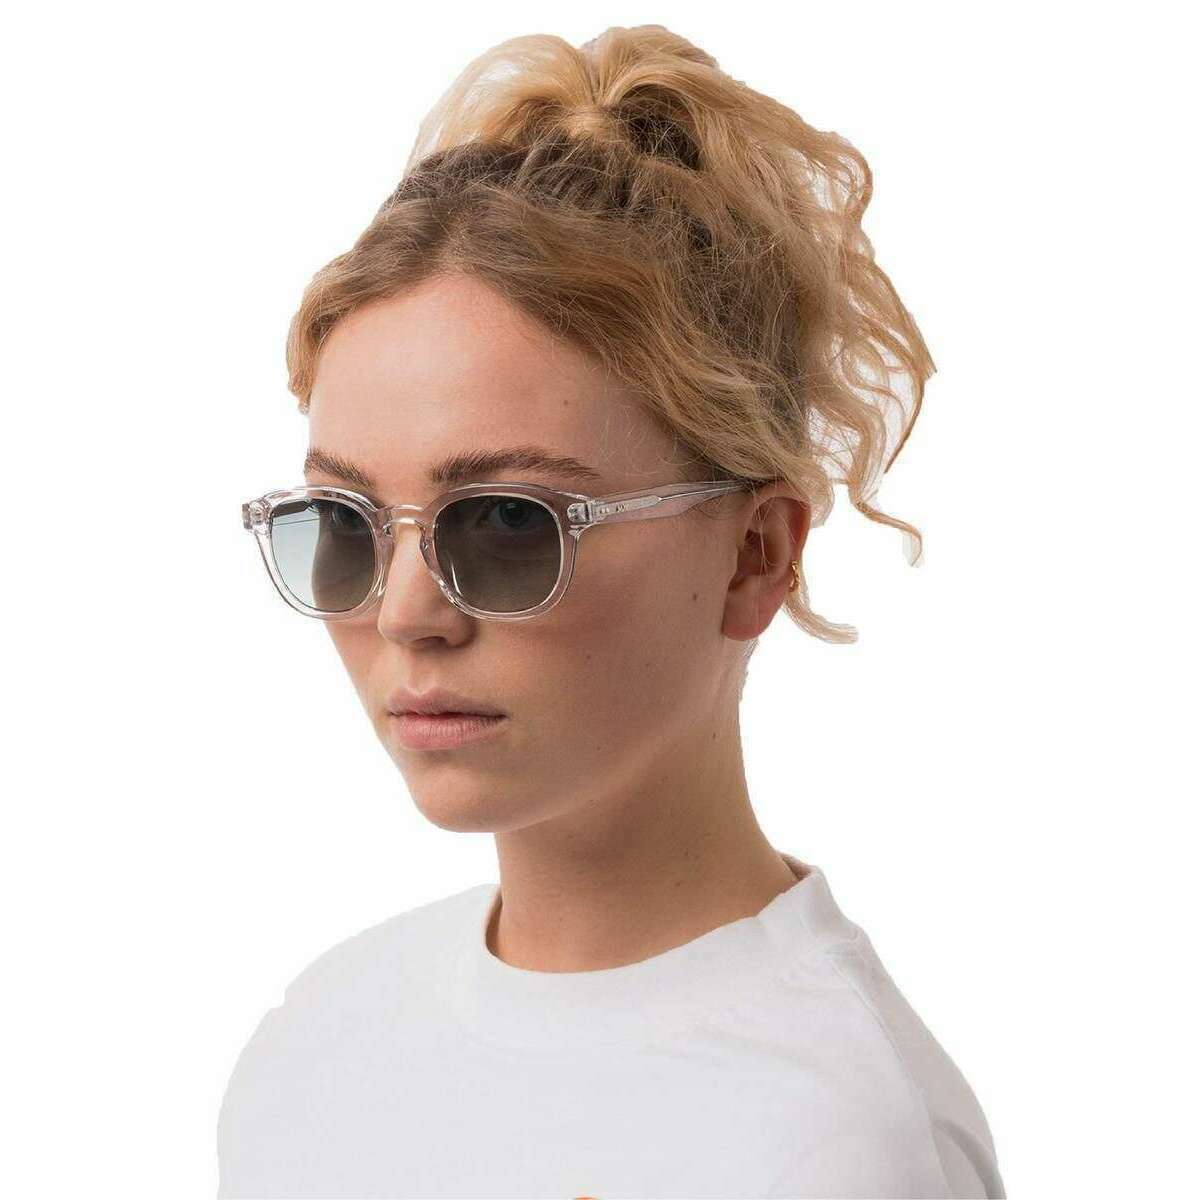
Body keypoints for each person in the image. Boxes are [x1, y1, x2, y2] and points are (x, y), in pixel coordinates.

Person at [219, 24, 1005, 1199]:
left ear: (755, 555)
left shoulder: (833, 1139)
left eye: (506, 523)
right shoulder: (315, 1050)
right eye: (346, 523)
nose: (405, 614)